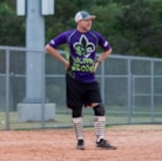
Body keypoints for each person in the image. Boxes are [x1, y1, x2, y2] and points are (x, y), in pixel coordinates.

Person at [45, 10, 116, 150]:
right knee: (76, 109)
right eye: (86, 20)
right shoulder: (69, 35)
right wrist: (65, 62)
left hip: (90, 78)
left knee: (99, 107)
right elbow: (49, 47)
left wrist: (98, 62)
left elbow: (108, 49)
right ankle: (80, 140)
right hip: (74, 78)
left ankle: (100, 140)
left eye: (90, 20)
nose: (89, 22)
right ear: (78, 22)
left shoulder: (95, 36)